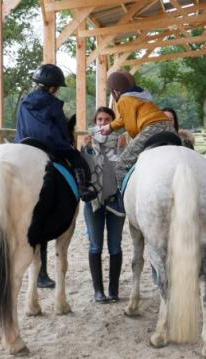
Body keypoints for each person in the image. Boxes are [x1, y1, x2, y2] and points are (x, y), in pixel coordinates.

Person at [14, 64, 97, 202]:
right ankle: (83, 187)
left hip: (23, 142)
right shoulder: (53, 103)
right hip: (49, 144)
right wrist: (67, 140)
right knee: (76, 157)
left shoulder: (24, 102)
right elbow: (63, 128)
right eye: (57, 88)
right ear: (53, 87)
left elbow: (20, 123)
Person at [99, 71, 176, 214]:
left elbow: (132, 126)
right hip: (169, 128)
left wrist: (135, 137)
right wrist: (110, 127)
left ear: (115, 90)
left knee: (121, 164)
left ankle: (119, 203)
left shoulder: (123, 100)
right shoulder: (141, 97)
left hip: (150, 131)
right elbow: (123, 118)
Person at [81, 107, 127, 303]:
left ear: (112, 122)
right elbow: (83, 172)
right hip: (94, 202)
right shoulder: (88, 141)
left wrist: (123, 148)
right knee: (95, 246)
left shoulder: (121, 141)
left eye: (106, 119)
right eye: (99, 119)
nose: (101, 123)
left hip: (116, 200)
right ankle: (98, 291)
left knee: (115, 246)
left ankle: (114, 290)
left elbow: (126, 168)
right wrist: (86, 150)